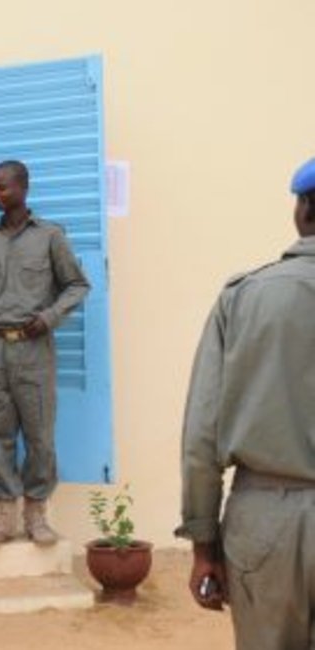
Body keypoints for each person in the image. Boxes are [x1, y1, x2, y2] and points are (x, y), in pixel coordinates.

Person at [177, 157, 315, 650]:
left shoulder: (243, 297)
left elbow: (201, 437)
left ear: (303, 210)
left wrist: (203, 545)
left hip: (266, 523)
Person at [0, 161, 89, 547]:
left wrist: (48, 318)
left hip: (34, 350)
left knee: (40, 435)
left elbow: (77, 285)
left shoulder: (50, 236)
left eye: (3, 187)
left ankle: (36, 513)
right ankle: (3, 516)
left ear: (23, 187)